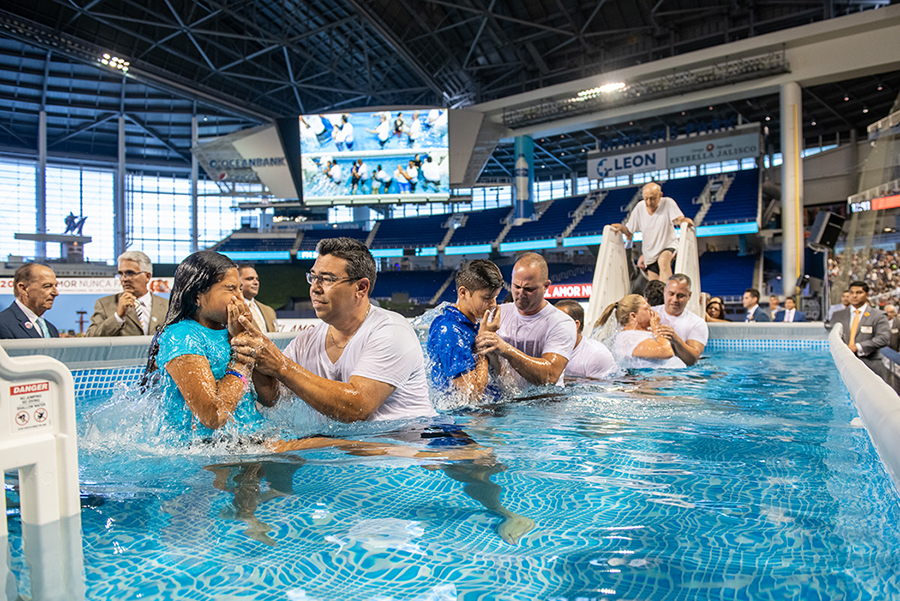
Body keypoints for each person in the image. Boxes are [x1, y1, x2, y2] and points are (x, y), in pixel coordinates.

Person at [232, 237, 435, 423]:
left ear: (361, 288)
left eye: (327, 279)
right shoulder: (306, 341)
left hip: (405, 448)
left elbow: (357, 408)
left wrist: (280, 366)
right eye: (313, 277)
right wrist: (253, 351)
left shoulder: (391, 331)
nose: (315, 288)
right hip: (355, 451)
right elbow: (274, 399)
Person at [141, 251, 274, 440]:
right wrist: (240, 359)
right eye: (230, 289)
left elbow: (270, 398)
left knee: (326, 443)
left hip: (247, 439)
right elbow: (214, 417)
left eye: (240, 289)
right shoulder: (181, 337)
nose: (240, 298)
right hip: (205, 448)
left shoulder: (231, 332)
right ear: (197, 295)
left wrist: (245, 337)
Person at [474, 253, 576, 387]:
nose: (521, 294)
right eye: (516, 286)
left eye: (529, 289)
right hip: (510, 402)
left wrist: (506, 349)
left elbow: (550, 376)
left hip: (546, 404)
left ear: (546, 286)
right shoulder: (497, 313)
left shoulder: (561, 323)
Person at [427, 260, 504, 401]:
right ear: (463, 293)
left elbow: (504, 382)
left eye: (495, 297)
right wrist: (482, 344)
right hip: (462, 421)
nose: (493, 304)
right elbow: (471, 396)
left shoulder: (472, 326)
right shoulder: (450, 332)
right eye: (487, 298)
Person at [610, 182, 693, 282]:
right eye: (646, 199)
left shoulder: (668, 203)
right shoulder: (640, 208)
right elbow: (629, 230)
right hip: (650, 253)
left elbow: (679, 219)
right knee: (654, 285)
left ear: (660, 196)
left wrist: (683, 221)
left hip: (668, 245)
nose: (649, 202)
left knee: (663, 261)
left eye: (652, 198)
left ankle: (667, 293)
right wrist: (621, 228)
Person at [86, 251, 169, 337]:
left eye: (130, 273)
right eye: (121, 274)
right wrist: (118, 317)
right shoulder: (104, 305)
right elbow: (91, 337)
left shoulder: (167, 306)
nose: (124, 279)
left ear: (147, 276)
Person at [597, 294, 685, 368]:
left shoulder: (643, 333)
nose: (652, 311)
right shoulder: (628, 338)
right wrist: (656, 327)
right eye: (647, 308)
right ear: (633, 316)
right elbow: (666, 352)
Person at [828, 281, 890, 376]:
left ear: (867, 295)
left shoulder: (878, 316)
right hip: (842, 365)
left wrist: (858, 347)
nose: (854, 296)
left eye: (859, 293)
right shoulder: (838, 315)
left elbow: (883, 338)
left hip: (870, 365)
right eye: (851, 293)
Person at [652, 274, 708, 366]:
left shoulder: (697, 323)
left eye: (680, 296)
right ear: (664, 291)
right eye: (671, 294)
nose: (675, 299)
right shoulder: (651, 313)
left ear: (689, 295)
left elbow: (692, 360)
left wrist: (676, 339)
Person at [555, 300, 617, 379]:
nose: (552, 327)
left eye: (558, 323)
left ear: (576, 325)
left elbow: (598, 389)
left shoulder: (597, 355)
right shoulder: (548, 349)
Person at [0, 263, 60, 339]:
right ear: (23, 289)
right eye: (47, 286)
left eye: (56, 286)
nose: (56, 293)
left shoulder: (51, 329)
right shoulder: (3, 324)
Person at [239, 264, 277, 333]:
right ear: (237, 282)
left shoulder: (269, 311)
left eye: (257, 279)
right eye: (250, 279)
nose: (256, 282)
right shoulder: (232, 310)